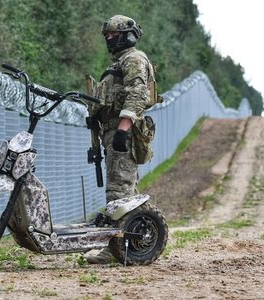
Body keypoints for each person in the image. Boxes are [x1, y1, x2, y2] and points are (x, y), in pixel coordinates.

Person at [85, 15, 157, 264]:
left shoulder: (134, 59)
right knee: (125, 190)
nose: (109, 40)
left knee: (118, 191)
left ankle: (115, 248)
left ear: (127, 35)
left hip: (121, 132)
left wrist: (124, 129)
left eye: (113, 36)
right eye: (107, 36)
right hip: (112, 131)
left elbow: (137, 93)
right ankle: (129, 244)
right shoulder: (119, 62)